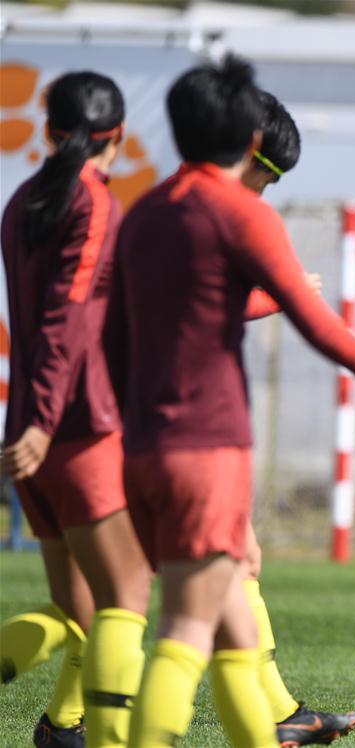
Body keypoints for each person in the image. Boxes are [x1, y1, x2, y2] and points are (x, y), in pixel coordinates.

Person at [103, 56, 355, 747]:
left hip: (140, 449)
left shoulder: (143, 212)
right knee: (185, 631)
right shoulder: (239, 213)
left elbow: (115, 336)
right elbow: (320, 328)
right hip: (208, 448)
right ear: (249, 137)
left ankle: (279, 727)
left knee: (234, 628)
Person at [0, 71, 152, 747]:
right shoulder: (93, 203)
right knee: (125, 600)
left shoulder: (21, 200)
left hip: (29, 433)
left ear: (51, 132)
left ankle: (63, 728)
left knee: (76, 609)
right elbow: (67, 322)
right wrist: (42, 418)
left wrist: (28, 420)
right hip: (73, 428)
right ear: (114, 138)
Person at [240, 89, 355, 746]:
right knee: (114, 604)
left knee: (236, 570)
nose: (267, 189)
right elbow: (188, 308)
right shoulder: (206, 213)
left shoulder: (166, 210)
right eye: (269, 172)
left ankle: (281, 716)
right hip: (173, 434)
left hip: (173, 431)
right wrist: (284, 297)